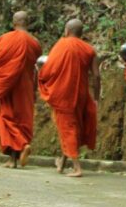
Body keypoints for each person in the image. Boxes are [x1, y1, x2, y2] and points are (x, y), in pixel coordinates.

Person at [39, 19, 100, 178]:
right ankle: (62, 163)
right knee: (70, 128)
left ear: (66, 31)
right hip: (81, 94)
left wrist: (42, 80)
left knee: (68, 129)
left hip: (64, 94)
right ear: (81, 33)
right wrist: (96, 98)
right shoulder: (89, 49)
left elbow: (48, 69)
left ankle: (77, 168)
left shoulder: (61, 46)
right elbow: (97, 76)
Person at [0, 11, 42, 168]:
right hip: (25, 86)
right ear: (28, 23)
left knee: (7, 118)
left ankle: (22, 145)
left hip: (7, 86)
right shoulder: (35, 43)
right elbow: (36, 68)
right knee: (22, 119)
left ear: (14, 23)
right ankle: (13, 160)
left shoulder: (5, 39)